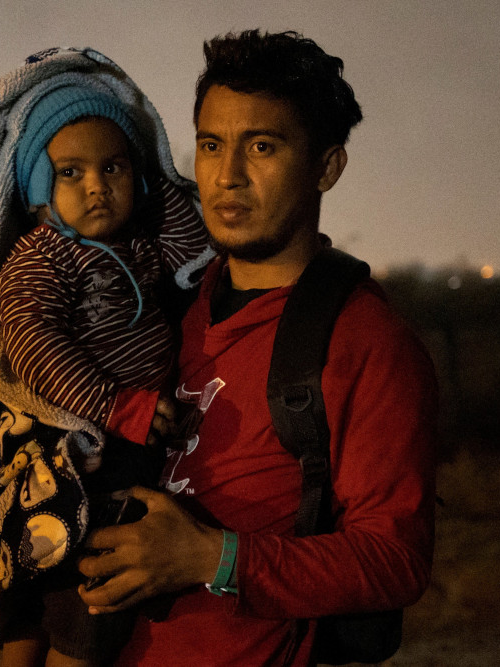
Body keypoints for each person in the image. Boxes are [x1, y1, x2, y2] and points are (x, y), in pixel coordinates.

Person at [76, 30, 439, 666]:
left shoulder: (366, 342)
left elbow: (394, 559)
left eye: (263, 147)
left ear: (326, 166)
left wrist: (209, 558)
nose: (228, 175)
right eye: (211, 145)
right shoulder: (165, 309)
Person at [0, 49, 212, 667]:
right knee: (82, 605)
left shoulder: (142, 241)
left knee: (76, 612)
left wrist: (159, 187)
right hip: (82, 452)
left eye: (115, 166)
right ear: (39, 188)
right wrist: (120, 407)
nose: (97, 184)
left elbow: (192, 248)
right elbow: (36, 349)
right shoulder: (41, 259)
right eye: (70, 172)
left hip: (132, 436)